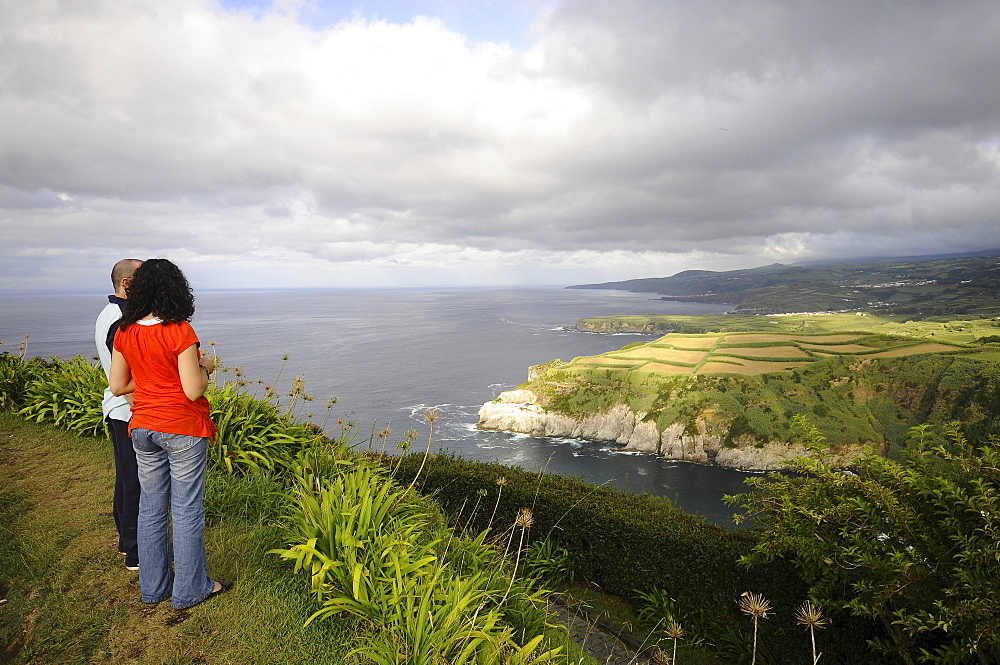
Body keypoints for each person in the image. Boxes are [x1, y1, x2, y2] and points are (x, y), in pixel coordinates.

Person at [109, 258, 230, 608]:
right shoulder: (179, 331)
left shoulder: (125, 331)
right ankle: (191, 590)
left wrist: (151, 382)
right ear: (176, 290)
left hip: (144, 426)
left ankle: (155, 587)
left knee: (150, 507)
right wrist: (205, 367)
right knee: (188, 508)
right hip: (181, 427)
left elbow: (118, 385)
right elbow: (193, 390)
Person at [96, 258, 143, 571]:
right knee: (135, 483)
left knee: (127, 480)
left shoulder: (111, 313)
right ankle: (135, 551)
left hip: (121, 409)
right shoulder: (120, 319)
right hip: (128, 411)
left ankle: (127, 545)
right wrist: (143, 407)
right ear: (127, 284)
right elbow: (122, 373)